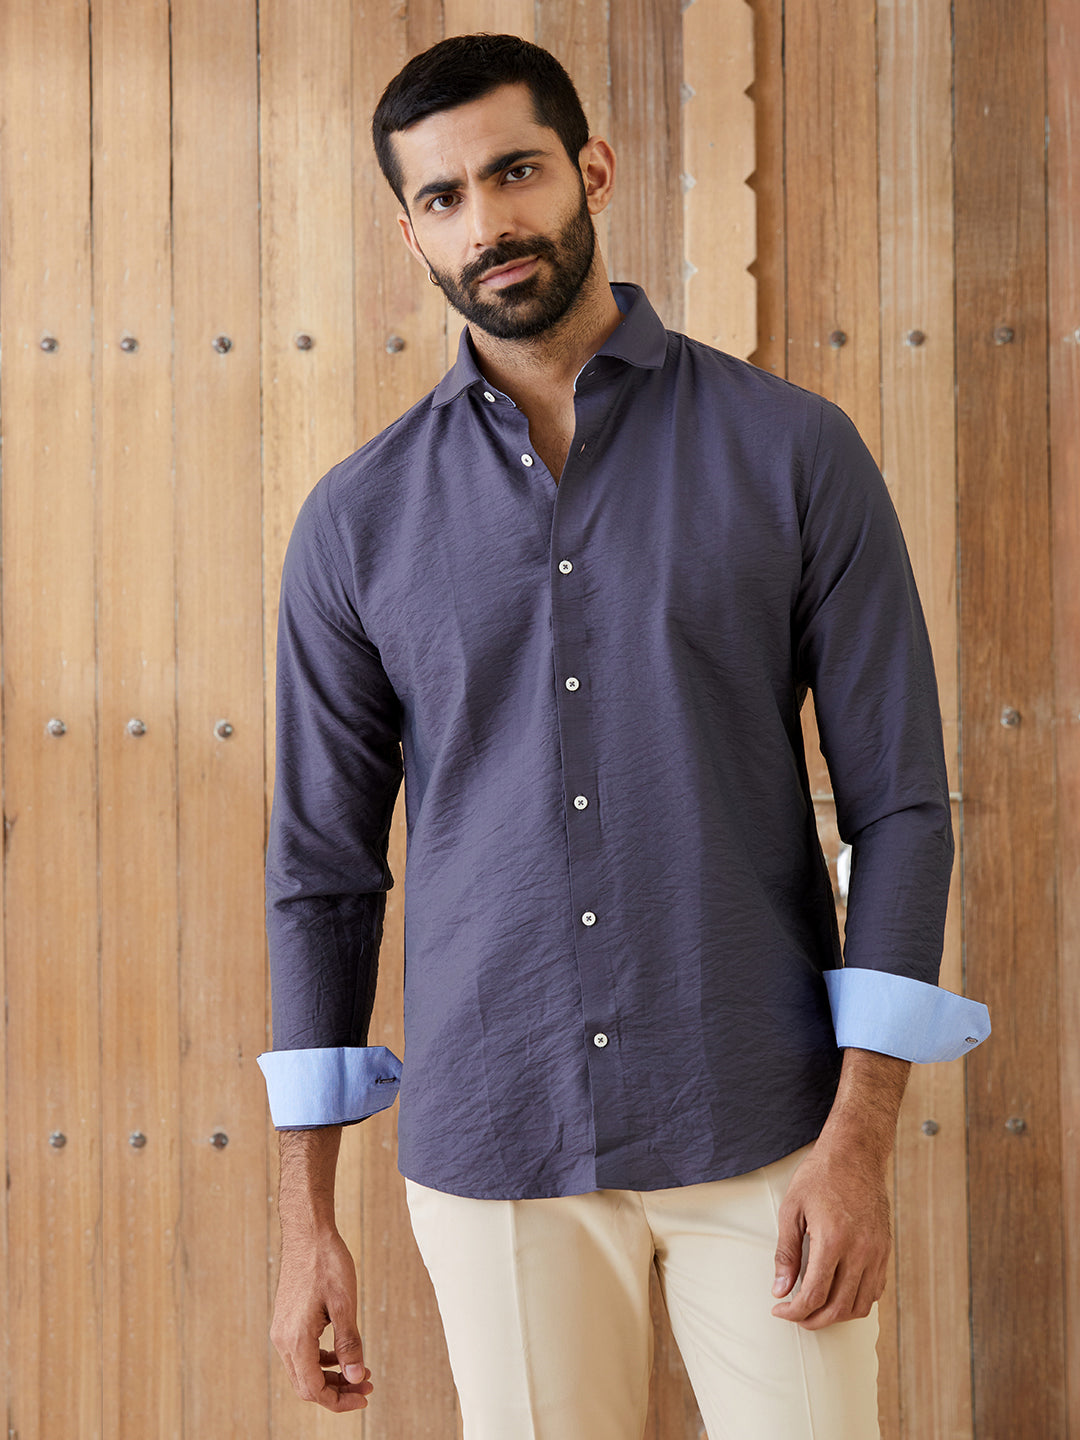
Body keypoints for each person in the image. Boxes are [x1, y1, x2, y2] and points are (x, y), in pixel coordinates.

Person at [258, 33, 989, 1440]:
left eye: (516, 172)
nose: (488, 222)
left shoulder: (793, 451)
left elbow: (901, 804)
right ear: (411, 230)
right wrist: (305, 1223)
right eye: (443, 197)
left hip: (764, 1123)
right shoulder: (356, 523)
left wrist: (859, 1142)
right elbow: (322, 877)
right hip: (499, 1136)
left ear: (590, 169)